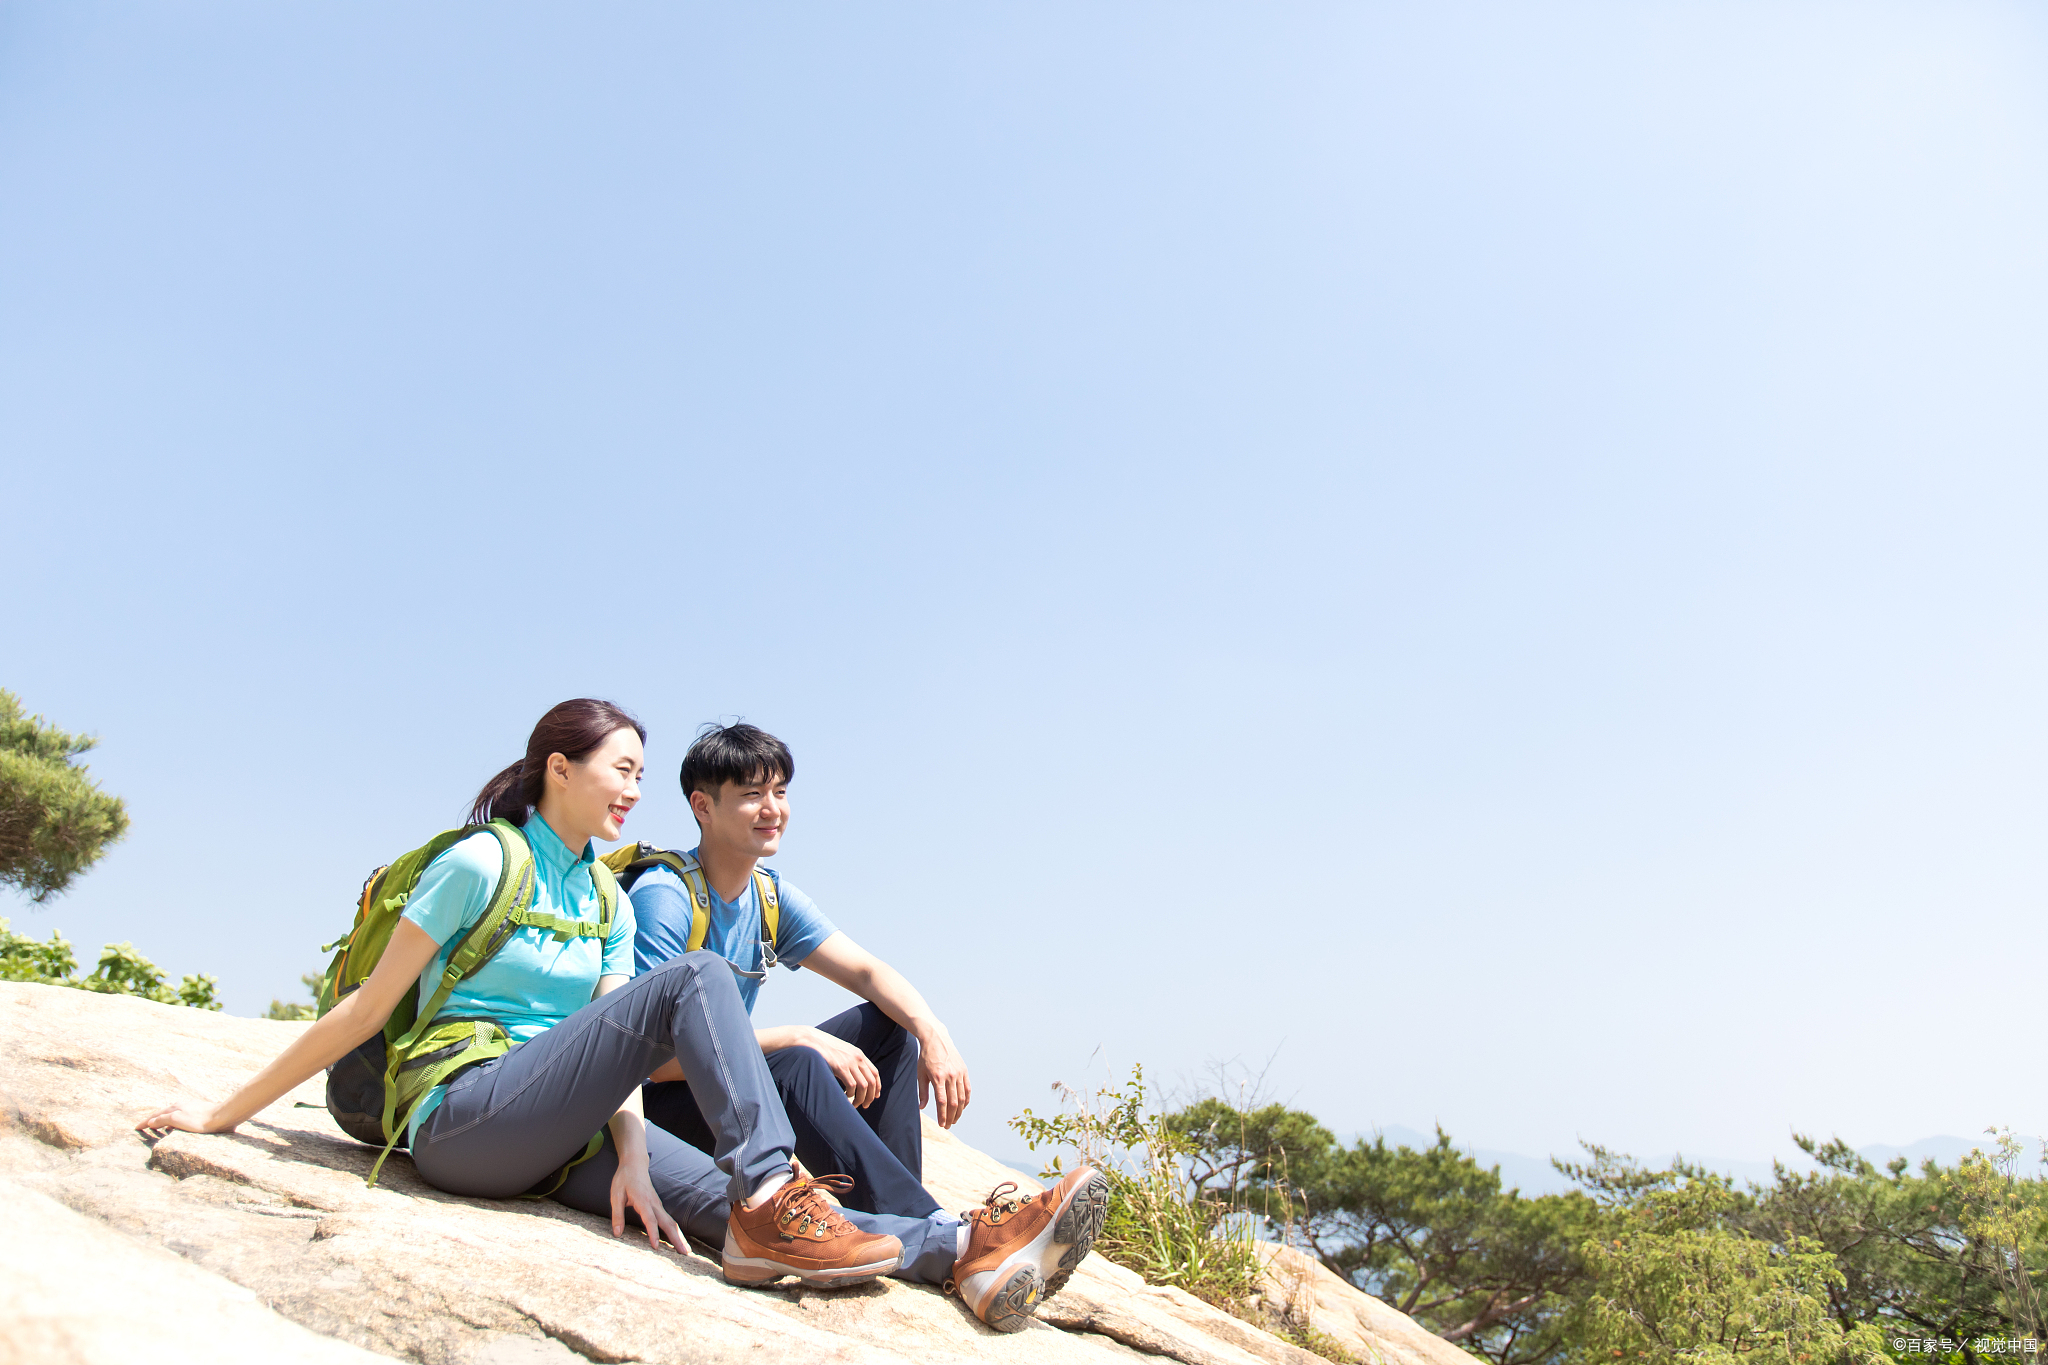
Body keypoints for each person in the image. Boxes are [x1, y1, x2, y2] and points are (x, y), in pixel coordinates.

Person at [135, 699, 1102, 1324]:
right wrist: (219, 1116)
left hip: (565, 1139)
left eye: (641, 774)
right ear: (560, 767)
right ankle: (774, 1193)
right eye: (622, 771)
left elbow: (616, 1049)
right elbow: (363, 1010)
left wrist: (634, 1160)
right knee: (699, 982)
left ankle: (966, 1257)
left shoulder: (600, 896)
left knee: (740, 1227)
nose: (634, 792)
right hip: (462, 1116)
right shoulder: (484, 863)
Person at [631, 724, 973, 1227]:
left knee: (890, 1029)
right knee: (795, 1063)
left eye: (780, 792)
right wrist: (799, 1036)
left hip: (727, 1087)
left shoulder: (769, 895)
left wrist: (934, 1033)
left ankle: (906, 1212)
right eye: (752, 795)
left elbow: (866, 971)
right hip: (658, 1109)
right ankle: (931, 1227)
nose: (773, 810)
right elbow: (653, 1062)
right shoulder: (666, 896)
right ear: (702, 806)